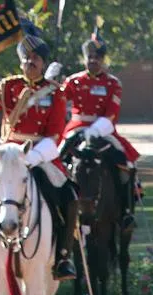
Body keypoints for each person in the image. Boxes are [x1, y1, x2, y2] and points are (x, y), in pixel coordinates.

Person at [0, 22, 78, 282]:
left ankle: (63, 257)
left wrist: (32, 158)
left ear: (44, 63)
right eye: (26, 58)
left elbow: (55, 135)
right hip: (7, 155)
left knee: (67, 195)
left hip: (39, 154)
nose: (30, 62)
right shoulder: (8, 87)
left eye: (35, 58)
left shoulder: (54, 93)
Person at [60, 29, 140, 234]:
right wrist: (53, 81)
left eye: (97, 57)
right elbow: (58, 101)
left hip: (103, 130)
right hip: (76, 128)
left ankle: (126, 211)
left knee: (126, 163)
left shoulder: (113, 83)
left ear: (103, 59)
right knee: (56, 158)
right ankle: (57, 208)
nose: (93, 61)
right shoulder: (73, 81)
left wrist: (95, 131)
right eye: (90, 57)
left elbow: (112, 113)